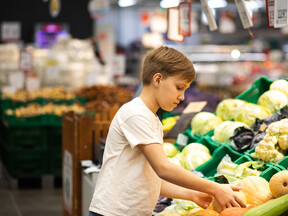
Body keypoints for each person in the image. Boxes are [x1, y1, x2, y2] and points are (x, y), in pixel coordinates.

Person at [89, 46, 245, 216]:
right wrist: (215, 188)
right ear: (157, 80)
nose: (182, 97)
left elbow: (152, 179)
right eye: (179, 87)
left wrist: (192, 194)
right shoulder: (136, 114)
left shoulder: (152, 118)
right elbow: (163, 168)